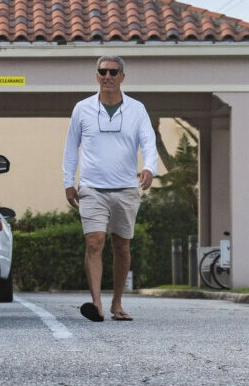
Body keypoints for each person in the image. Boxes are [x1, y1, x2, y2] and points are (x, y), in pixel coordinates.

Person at [63, 55, 158, 323]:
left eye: (113, 72)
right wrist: (68, 181)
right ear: (96, 76)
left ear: (122, 77)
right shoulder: (82, 109)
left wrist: (150, 167)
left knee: (122, 246)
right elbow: (71, 147)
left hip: (126, 188)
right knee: (94, 242)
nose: (107, 76)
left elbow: (148, 142)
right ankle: (96, 305)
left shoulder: (137, 109)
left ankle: (117, 303)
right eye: (102, 71)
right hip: (91, 188)